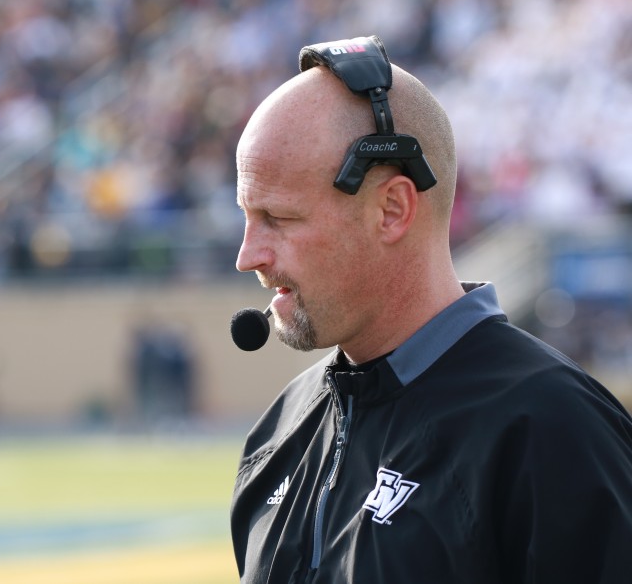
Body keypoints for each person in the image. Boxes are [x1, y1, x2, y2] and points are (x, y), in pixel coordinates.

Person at [229, 36, 632, 583]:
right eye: (247, 217)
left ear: (392, 209)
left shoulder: (550, 429)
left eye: (278, 218)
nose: (248, 255)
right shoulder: (278, 434)